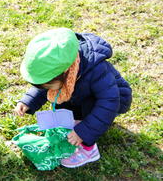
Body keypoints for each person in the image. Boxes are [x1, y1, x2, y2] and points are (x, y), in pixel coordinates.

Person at [14, 28, 132, 168]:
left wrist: (83, 132)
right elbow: (46, 86)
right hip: (83, 95)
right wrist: (28, 101)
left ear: (64, 73)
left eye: (47, 85)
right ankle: (77, 121)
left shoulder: (97, 70)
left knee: (90, 107)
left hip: (114, 101)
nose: (46, 88)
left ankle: (89, 149)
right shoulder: (65, 70)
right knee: (63, 99)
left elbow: (109, 103)